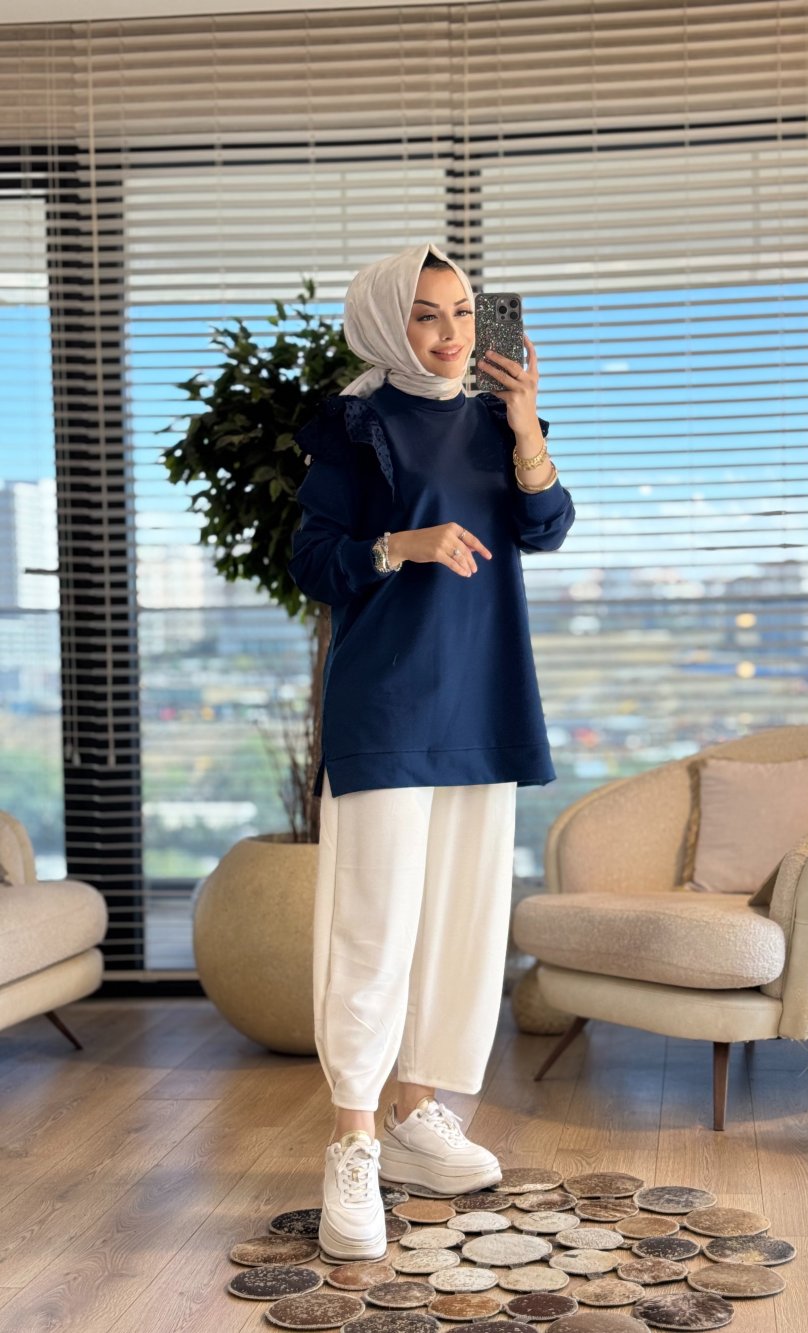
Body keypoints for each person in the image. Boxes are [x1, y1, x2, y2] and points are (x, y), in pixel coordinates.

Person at [287, 241, 575, 1263]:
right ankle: (353, 1140)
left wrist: (527, 425)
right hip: (386, 705)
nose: (451, 333)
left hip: (483, 696)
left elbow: (546, 527)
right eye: (425, 314)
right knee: (373, 927)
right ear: (384, 323)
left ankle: (416, 1114)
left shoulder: (497, 421)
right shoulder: (356, 425)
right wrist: (398, 545)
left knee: (463, 919)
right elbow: (311, 559)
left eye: (461, 311)